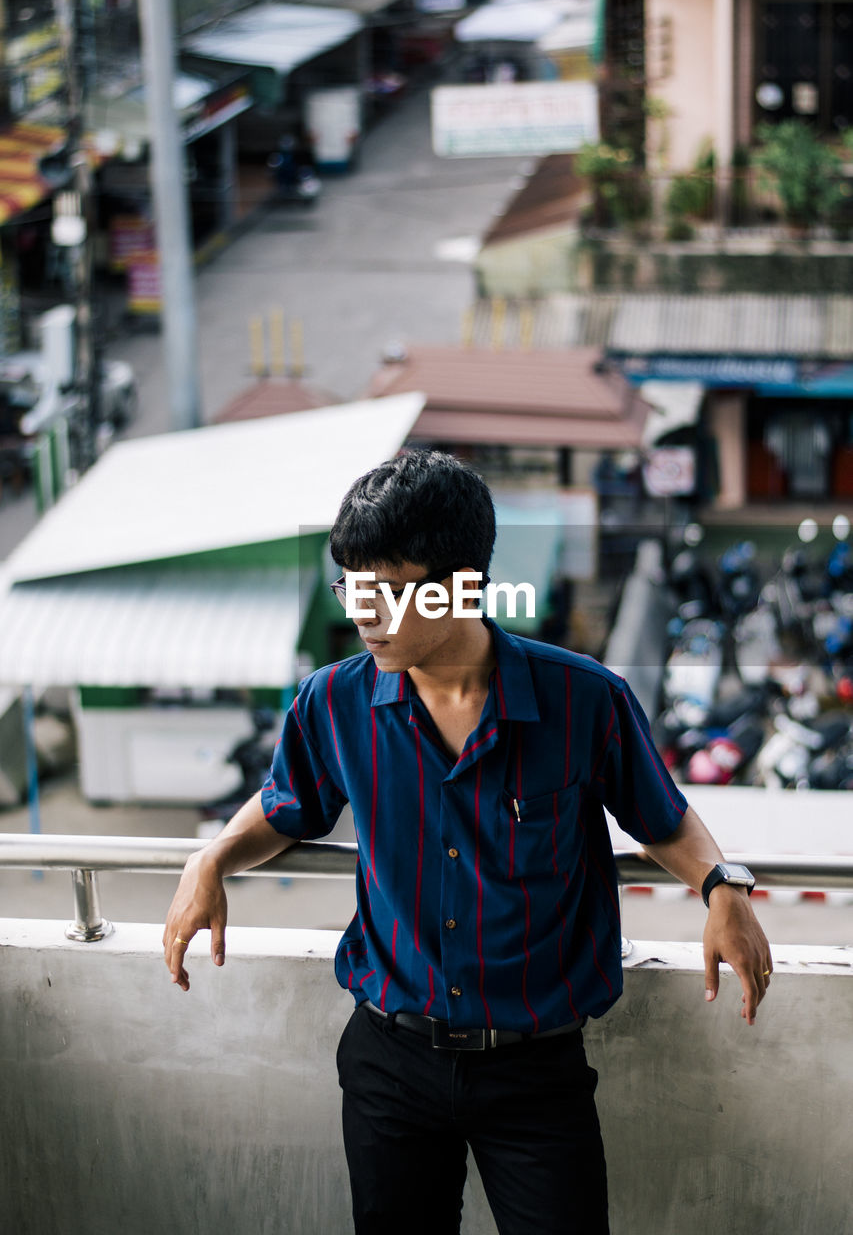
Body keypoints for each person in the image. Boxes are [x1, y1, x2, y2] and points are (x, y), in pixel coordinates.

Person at [163, 449, 772, 1235]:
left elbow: (661, 818)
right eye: (351, 585)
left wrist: (722, 887)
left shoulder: (582, 700)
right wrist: (210, 857)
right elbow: (288, 806)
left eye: (386, 591)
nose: (361, 613)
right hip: (389, 1061)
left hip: (535, 1070)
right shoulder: (334, 703)